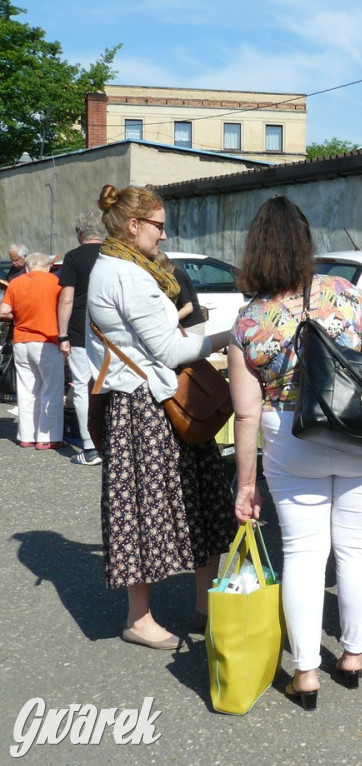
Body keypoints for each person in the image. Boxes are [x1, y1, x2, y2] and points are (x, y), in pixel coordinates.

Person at [228, 195, 362, 710]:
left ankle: (304, 671)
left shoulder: (248, 321)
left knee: (302, 553)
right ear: (306, 244)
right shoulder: (345, 294)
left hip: (289, 438)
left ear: (256, 250)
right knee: (358, 547)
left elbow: (247, 414)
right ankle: (353, 655)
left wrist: (247, 485)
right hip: (360, 436)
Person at [88, 183, 235, 651]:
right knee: (146, 508)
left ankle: (203, 606)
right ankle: (140, 618)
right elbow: (171, 349)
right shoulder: (127, 275)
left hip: (148, 400)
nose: (165, 236)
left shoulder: (117, 266)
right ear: (133, 226)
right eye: (159, 225)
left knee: (197, 494)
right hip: (147, 406)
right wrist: (229, 336)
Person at [0, 252, 64, 448]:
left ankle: (26, 436)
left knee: (27, 390)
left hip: (21, 341)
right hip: (47, 340)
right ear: (46, 267)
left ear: (27, 267)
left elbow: (3, 312)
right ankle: (47, 438)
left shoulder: (16, 283)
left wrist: (19, 317)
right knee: (51, 389)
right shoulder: (55, 282)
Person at [57, 210, 106, 465]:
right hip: (109, 330)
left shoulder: (74, 257)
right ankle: (112, 444)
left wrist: (62, 334)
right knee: (107, 384)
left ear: (80, 233)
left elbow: (66, 298)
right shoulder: (113, 255)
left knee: (82, 386)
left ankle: (90, 448)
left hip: (78, 329)